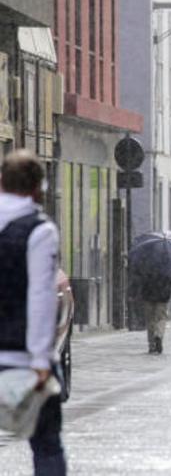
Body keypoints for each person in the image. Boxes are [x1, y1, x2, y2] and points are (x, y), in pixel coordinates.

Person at [0, 150, 67, 474]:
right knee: (46, 443)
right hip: (20, 356)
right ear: (39, 188)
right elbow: (41, 297)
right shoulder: (40, 230)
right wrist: (41, 360)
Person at [132, 270, 171, 354]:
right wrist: (169, 284)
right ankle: (158, 335)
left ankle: (152, 345)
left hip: (148, 294)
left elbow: (139, 278)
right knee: (161, 318)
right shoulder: (168, 263)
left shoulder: (146, 261)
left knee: (150, 320)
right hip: (163, 295)